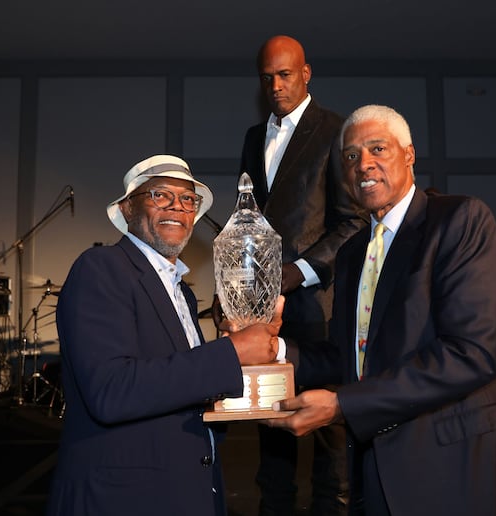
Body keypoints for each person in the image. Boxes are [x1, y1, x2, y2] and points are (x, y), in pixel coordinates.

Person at [267, 105, 496, 515]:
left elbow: (471, 354)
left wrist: (343, 405)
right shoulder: (350, 253)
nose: (363, 164)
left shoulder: (459, 220)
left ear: (409, 154)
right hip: (379, 468)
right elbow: (347, 356)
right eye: (350, 156)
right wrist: (274, 351)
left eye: (377, 149)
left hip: (459, 466)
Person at [46, 155, 284, 516]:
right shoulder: (102, 268)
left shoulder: (182, 293)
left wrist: (254, 388)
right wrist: (231, 352)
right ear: (127, 209)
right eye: (160, 195)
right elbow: (112, 391)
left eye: (188, 199)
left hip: (184, 494)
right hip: (122, 501)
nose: (177, 206)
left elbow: (180, 388)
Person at [216, 35, 367, 515]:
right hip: (264, 310)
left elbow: (354, 222)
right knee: (271, 428)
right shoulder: (250, 137)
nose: (276, 86)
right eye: (267, 78)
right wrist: (239, 290)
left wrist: (295, 274)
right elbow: (248, 222)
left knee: (330, 441)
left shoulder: (338, 131)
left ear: (306, 73)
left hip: (319, 305)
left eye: (285, 75)